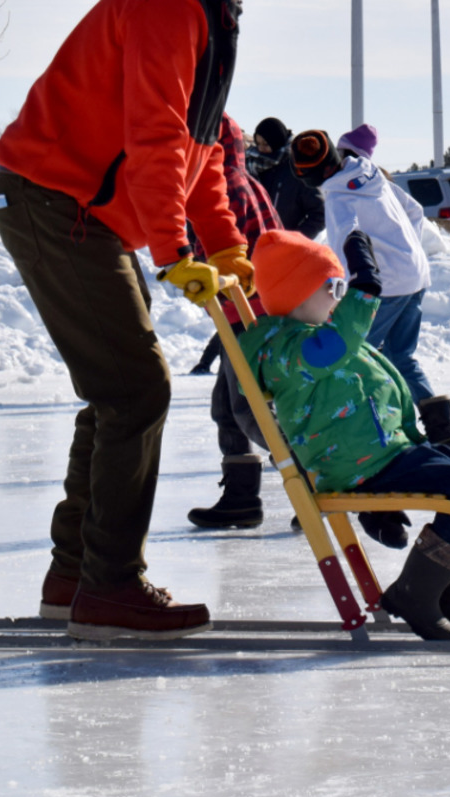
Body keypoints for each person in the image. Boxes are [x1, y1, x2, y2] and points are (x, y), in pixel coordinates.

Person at [0, 0, 252, 640]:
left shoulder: (216, 17)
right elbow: (153, 130)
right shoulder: (170, 6)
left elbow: (202, 146)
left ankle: (75, 577)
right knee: (135, 389)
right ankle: (108, 585)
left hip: (86, 213)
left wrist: (226, 246)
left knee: (119, 389)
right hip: (51, 198)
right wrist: (174, 250)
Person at [239, 228, 450, 642]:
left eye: (343, 286)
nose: (340, 296)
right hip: (355, 462)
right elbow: (335, 346)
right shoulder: (286, 352)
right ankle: (413, 594)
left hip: (385, 451)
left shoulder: (322, 336)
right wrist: (366, 289)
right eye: (334, 286)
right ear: (297, 293)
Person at [289, 127, 450, 450]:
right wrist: (403, 247)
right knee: (399, 355)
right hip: (415, 275)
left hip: (389, 285)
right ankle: (442, 430)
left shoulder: (339, 198)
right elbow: (414, 210)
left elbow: (345, 246)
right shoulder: (371, 175)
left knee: (349, 355)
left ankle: (353, 431)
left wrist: (346, 286)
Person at [186, 113, 281, 530]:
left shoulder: (221, 184)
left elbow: (214, 248)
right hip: (244, 309)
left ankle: (321, 476)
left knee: (250, 409)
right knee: (226, 406)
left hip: (252, 311)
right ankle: (242, 498)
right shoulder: (240, 176)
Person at [248, 116, 325, 239]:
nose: (261, 149)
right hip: (251, 246)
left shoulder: (297, 170)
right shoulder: (249, 166)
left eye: (266, 144)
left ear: (277, 142)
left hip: (283, 248)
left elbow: (320, 213)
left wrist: (295, 239)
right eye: (258, 143)